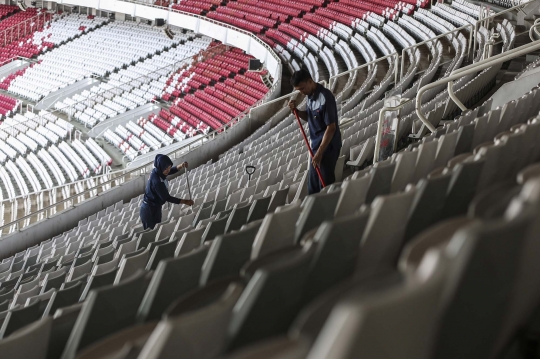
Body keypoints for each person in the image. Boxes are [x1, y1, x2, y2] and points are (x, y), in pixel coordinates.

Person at [289, 69, 342, 194]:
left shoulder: (325, 97)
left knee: (325, 186)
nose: (301, 92)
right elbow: (310, 117)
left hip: (327, 148)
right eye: (298, 90)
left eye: (302, 88)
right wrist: (296, 111)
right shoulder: (309, 96)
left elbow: (331, 128)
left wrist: (319, 153)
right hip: (317, 147)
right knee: (313, 186)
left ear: (310, 81)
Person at [140, 154, 194, 230]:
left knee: (157, 228)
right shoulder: (157, 181)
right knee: (150, 232)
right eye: (166, 169)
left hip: (156, 206)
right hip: (149, 210)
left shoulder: (158, 171)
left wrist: (181, 166)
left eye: (169, 167)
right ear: (161, 167)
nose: (168, 170)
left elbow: (170, 171)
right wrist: (186, 201)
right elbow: (166, 197)